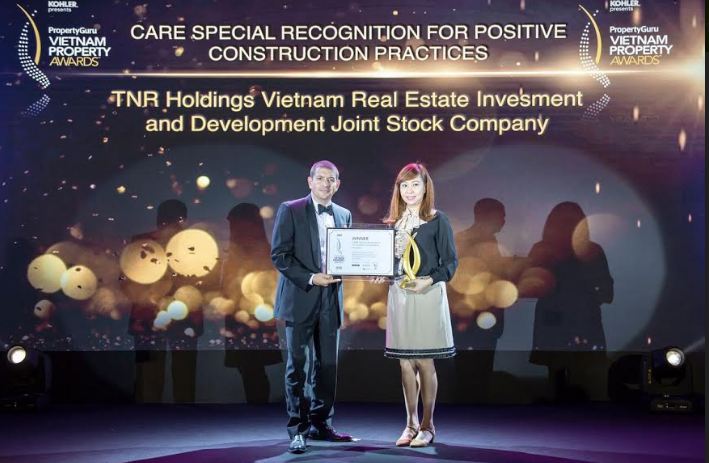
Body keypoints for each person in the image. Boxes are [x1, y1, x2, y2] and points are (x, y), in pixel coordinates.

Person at [271, 160, 354, 454]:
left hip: (331, 299)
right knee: (298, 366)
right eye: (320, 178)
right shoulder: (290, 209)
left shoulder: (344, 214)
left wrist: (368, 268)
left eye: (331, 180)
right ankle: (298, 429)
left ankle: (322, 424)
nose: (325, 184)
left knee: (328, 366)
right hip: (300, 297)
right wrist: (310, 277)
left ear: (337, 184)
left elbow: (349, 255)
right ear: (310, 181)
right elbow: (280, 255)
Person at [374, 162, 457, 447]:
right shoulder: (393, 223)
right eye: (404, 185)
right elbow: (390, 262)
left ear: (425, 187)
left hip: (427, 293)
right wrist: (381, 271)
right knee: (405, 362)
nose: (409, 191)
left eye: (415, 185)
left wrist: (428, 280)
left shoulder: (437, 219)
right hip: (399, 294)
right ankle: (410, 424)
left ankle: (427, 425)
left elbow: (450, 263)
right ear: (398, 189)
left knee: (424, 360)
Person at [528, 202, 613, 401]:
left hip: (563, 321)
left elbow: (531, 286)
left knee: (560, 378)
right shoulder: (592, 250)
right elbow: (606, 292)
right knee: (581, 381)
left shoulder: (543, 249)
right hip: (579, 321)